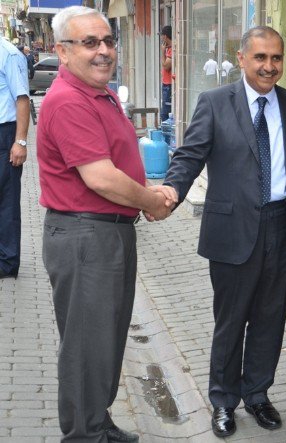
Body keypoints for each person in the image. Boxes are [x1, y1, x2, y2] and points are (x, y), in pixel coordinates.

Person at [161, 26, 286, 438]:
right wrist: (169, 193)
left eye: (276, 58)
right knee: (231, 321)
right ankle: (224, 401)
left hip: (280, 226)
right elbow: (190, 154)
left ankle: (258, 395)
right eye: (260, 57)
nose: (269, 66)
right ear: (242, 58)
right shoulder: (215, 102)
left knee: (270, 319)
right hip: (232, 230)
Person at [36, 6, 174, 441]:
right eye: (89, 43)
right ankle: (82, 434)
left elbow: (119, 164)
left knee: (106, 341)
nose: (103, 51)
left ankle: (97, 422)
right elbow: (100, 177)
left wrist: (151, 192)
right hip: (85, 236)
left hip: (107, 232)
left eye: (108, 41)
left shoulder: (102, 93)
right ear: (62, 50)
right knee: (85, 346)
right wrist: (152, 200)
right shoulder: (68, 101)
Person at [0, 37, 29, 279]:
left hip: (5, 133)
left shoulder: (8, 54)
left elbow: (22, 99)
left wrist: (20, 141)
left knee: (7, 200)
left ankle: (8, 263)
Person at [160, 25, 172, 122]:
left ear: (165, 36)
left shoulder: (171, 50)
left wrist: (163, 52)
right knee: (163, 111)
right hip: (165, 84)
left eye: (162, 35)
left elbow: (166, 66)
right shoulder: (168, 48)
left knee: (165, 113)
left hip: (169, 86)